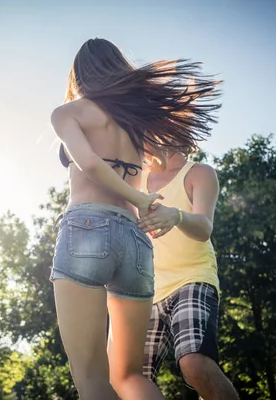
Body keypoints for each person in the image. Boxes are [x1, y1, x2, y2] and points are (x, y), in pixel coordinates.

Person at [50, 37, 220, 400]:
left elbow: (90, 163)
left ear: (79, 74)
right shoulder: (137, 124)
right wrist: (138, 201)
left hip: (86, 230)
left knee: (91, 377)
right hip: (136, 242)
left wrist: (140, 198)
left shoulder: (67, 113)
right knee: (129, 377)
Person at [137, 150, 239, 399]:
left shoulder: (199, 173)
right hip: (147, 291)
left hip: (192, 279)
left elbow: (204, 227)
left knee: (194, 363)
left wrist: (177, 215)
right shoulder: (136, 176)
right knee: (132, 377)